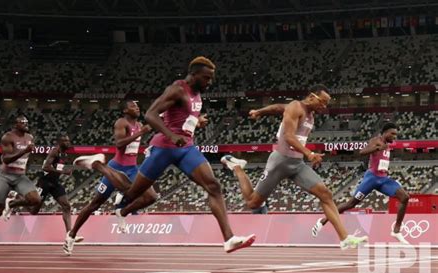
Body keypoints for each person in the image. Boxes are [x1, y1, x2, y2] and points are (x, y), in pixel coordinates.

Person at [71, 56, 255, 254]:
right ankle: (98, 165)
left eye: (211, 78)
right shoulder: (177, 89)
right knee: (131, 191)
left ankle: (229, 239)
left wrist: (196, 121)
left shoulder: (197, 94)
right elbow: (150, 114)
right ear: (193, 75)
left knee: (214, 186)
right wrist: (170, 134)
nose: (210, 82)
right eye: (206, 78)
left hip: (186, 149)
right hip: (164, 148)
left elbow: (183, 117)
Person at [221, 85, 368, 249]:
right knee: (253, 203)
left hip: (297, 164)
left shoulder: (308, 113)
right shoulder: (295, 106)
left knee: (325, 194)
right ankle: (237, 167)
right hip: (280, 162)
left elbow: (277, 107)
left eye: (326, 104)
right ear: (312, 97)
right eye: (323, 102)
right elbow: (289, 137)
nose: (324, 107)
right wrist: (309, 154)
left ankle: (344, 238)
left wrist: (260, 111)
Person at [64, 100, 156, 255]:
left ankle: (122, 212)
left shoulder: (139, 125)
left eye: (138, 105)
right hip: (116, 167)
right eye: (133, 106)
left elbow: (133, 147)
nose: (137, 107)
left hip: (132, 168)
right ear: (125, 110)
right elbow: (119, 144)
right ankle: (71, 235)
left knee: (151, 197)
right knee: (95, 204)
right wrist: (141, 133)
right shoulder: (121, 122)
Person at [312, 122, 410, 244]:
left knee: (405, 197)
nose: (395, 137)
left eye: (396, 134)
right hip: (372, 178)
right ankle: (323, 221)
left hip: (383, 179)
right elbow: (362, 152)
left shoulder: (387, 144)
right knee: (350, 204)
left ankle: (396, 230)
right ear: (385, 133)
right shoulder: (376, 141)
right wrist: (378, 148)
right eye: (392, 134)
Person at [0, 116, 41, 253]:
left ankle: (11, 204)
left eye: (27, 122)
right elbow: (6, 159)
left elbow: (27, 158)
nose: (25, 124)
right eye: (22, 122)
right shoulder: (8, 137)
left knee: (36, 199)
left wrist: (25, 169)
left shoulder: (30, 137)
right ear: (15, 125)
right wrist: (24, 151)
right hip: (5, 176)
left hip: (20, 176)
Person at [30, 134, 83, 242]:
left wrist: (61, 172)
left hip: (54, 183)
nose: (68, 143)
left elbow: (57, 167)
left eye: (69, 141)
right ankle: (13, 201)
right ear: (60, 142)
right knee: (34, 211)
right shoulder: (54, 151)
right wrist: (63, 172)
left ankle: (70, 234)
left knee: (67, 206)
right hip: (45, 183)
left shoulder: (64, 154)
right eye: (66, 141)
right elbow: (45, 167)